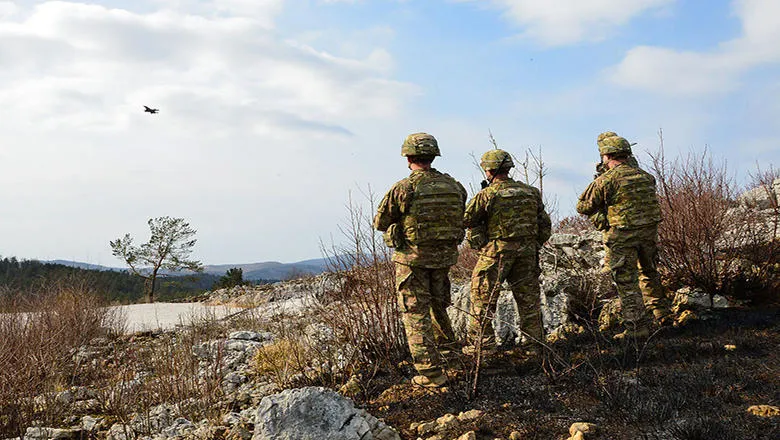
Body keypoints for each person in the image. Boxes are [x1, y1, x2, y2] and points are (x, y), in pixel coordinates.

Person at [374, 132, 467, 388]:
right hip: (444, 259)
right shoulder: (455, 186)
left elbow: (380, 222)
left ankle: (430, 374)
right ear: (432, 156)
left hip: (412, 261)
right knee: (439, 308)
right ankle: (452, 358)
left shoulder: (404, 188)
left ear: (409, 157)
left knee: (415, 313)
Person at [576, 134, 672, 339]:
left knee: (627, 281)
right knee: (650, 271)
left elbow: (582, 205)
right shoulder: (646, 176)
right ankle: (662, 313)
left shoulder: (607, 180)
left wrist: (601, 217)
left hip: (623, 235)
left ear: (606, 155)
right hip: (648, 234)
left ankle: (637, 328)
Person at [463, 149, 551, 356]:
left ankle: (483, 349)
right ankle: (534, 347)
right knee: (529, 300)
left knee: (482, 299)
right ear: (509, 168)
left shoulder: (487, 194)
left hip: (497, 252)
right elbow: (544, 224)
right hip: (527, 252)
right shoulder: (530, 192)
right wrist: (532, 244)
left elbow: (466, 219)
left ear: (488, 170)